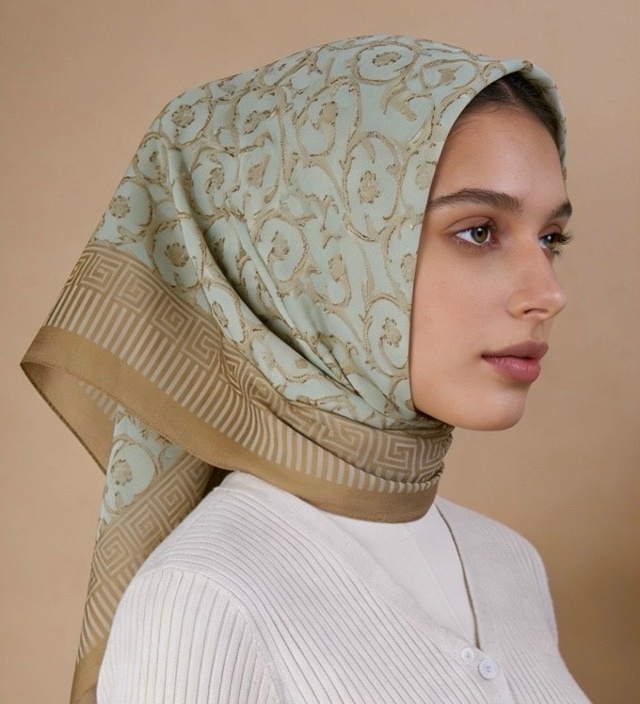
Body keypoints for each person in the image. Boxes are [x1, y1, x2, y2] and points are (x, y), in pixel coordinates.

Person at [21, 35, 590, 703]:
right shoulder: (204, 596)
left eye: (550, 239)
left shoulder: (509, 564)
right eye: (478, 231)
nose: (548, 293)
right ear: (316, 250)